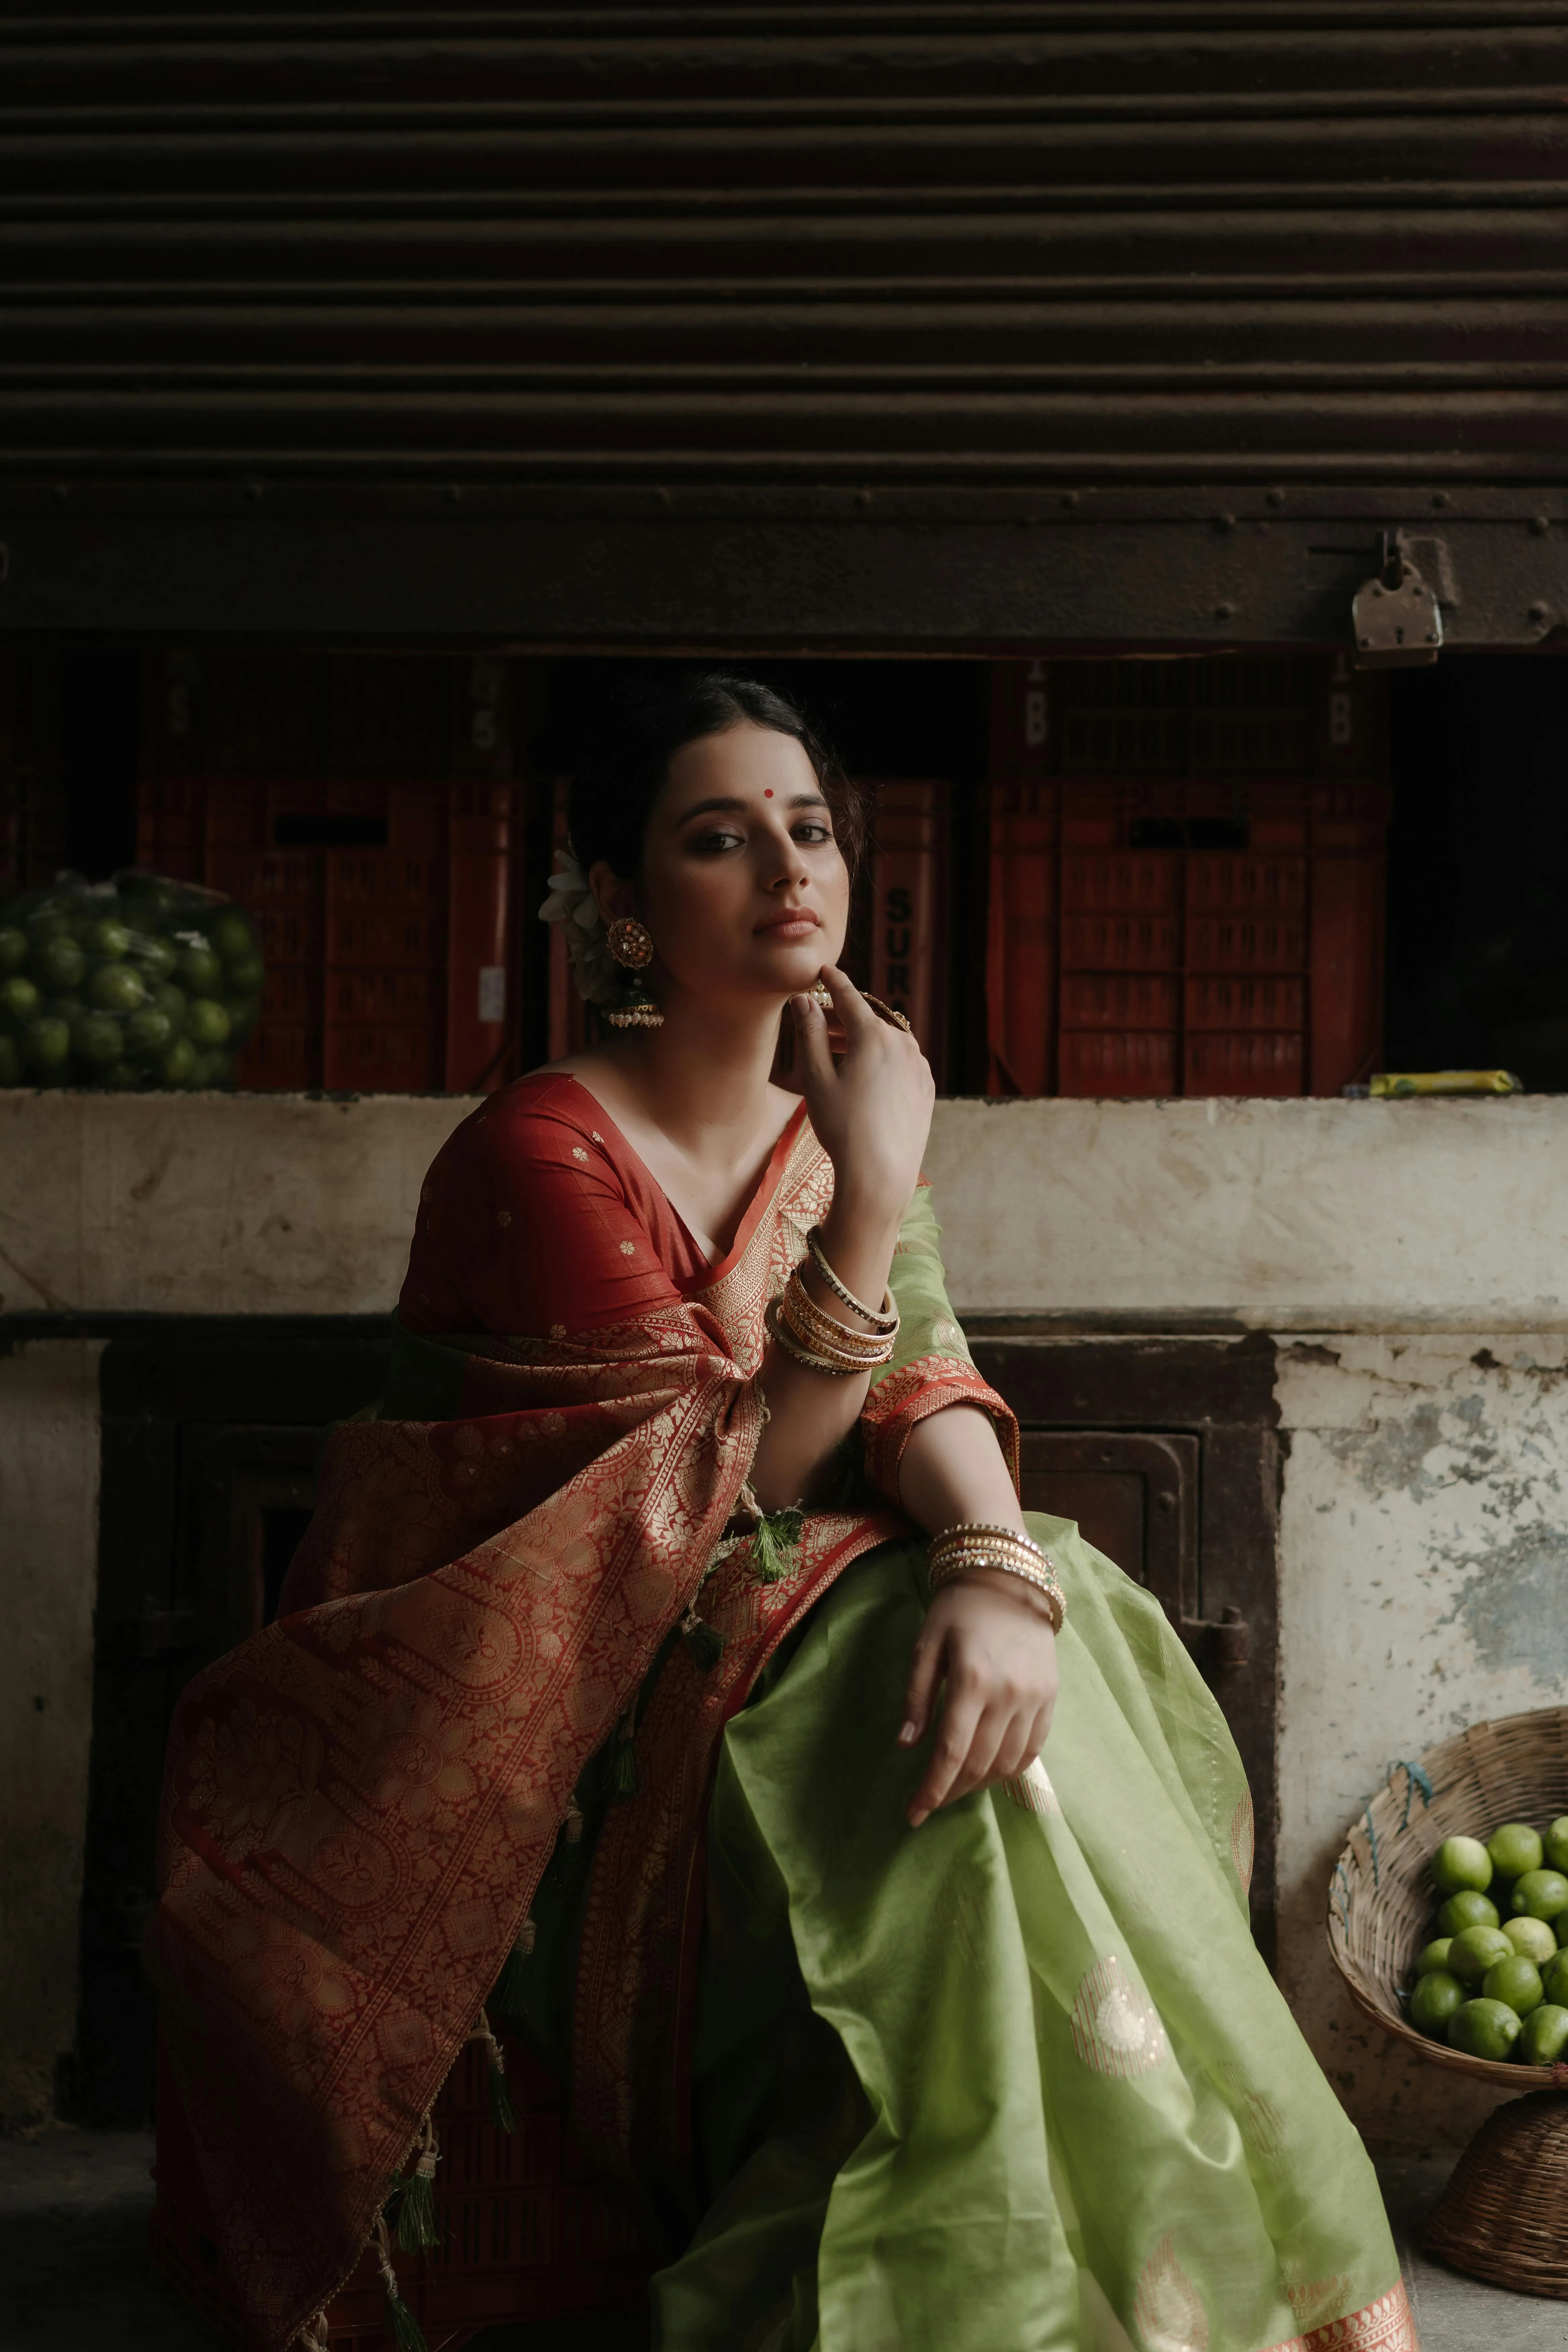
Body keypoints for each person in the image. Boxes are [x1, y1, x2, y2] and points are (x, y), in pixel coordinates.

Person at [151, 673, 1417, 2352]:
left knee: (1054, 1618)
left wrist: (990, 1569)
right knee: (939, 1750)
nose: (786, 870)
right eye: (718, 839)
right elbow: (717, 1490)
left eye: (807, 829)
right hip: (558, 1707)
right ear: (622, 907)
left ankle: (1084, 2278)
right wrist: (877, 1184)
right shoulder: (544, 1153)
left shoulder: (822, 1125)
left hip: (755, 1632)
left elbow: (927, 1377)